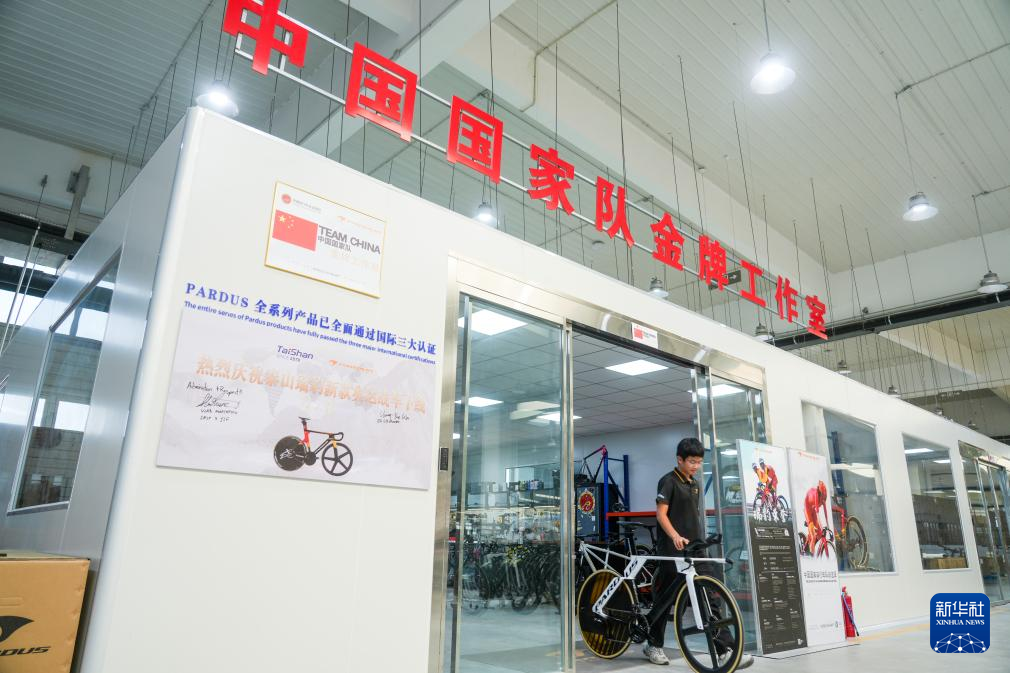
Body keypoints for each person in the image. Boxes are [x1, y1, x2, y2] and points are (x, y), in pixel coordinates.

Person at [644, 438, 753, 668]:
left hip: (695, 549)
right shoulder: (668, 481)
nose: (696, 466)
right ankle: (653, 644)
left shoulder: (694, 484)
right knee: (665, 601)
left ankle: (725, 651)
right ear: (680, 459)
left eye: (699, 462)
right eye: (692, 461)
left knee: (710, 596)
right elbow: (661, 514)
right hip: (673, 550)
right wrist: (675, 536)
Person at [804, 480, 831, 555]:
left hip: (813, 509)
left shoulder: (823, 498)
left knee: (819, 534)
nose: (823, 499)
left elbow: (826, 514)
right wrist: (822, 527)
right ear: (820, 493)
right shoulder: (816, 495)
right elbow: (818, 514)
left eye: (825, 496)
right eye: (823, 496)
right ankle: (811, 554)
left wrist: (828, 527)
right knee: (813, 536)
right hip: (808, 509)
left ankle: (810, 543)